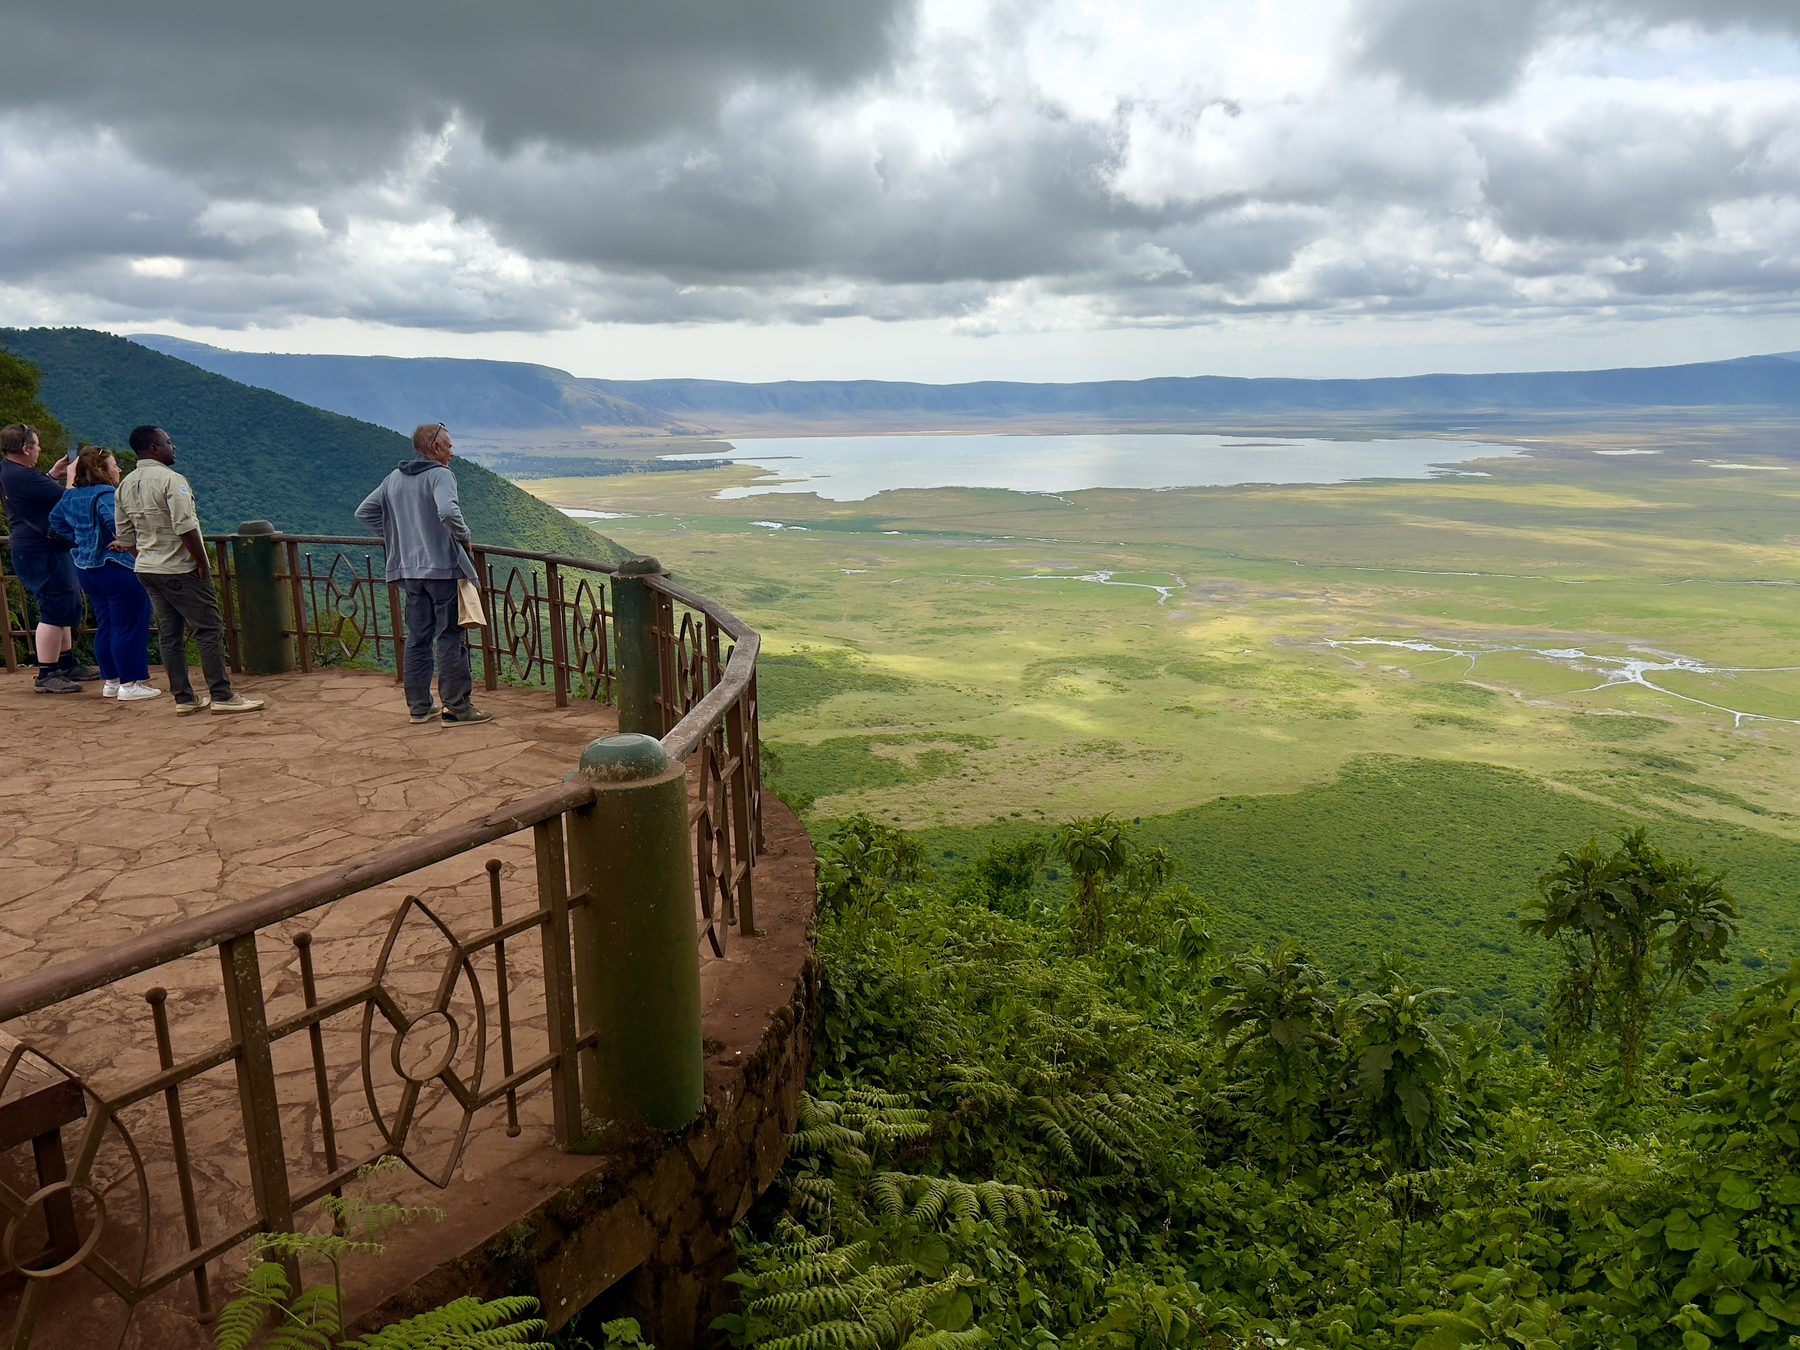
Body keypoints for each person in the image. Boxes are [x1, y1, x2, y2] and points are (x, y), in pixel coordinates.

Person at [115, 425, 263, 715]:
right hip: (180, 568)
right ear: (154, 448)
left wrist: (145, 556)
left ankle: (184, 698)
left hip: (147, 567)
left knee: (169, 635)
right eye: (168, 442)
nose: (174, 447)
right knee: (208, 629)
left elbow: (125, 536)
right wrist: (202, 562)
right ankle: (222, 695)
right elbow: (185, 525)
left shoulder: (125, 485)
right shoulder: (172, 480)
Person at [355, 423, 492, 726]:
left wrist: (398, 537)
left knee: (417, 638)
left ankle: (419, 707)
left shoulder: (393, 478)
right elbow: (447, 512)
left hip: (409, 571)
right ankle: (457, 708)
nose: (452, 452)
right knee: (450, 637)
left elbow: (364, 512)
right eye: (449, 446)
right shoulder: (440, 475)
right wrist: (464, 536)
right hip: (442, 569)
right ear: (434, 448)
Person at [49, 447, 160, 702]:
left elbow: (55, 522)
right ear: (102, 470)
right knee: (129, 625)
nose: (118, 469)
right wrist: (122, 541)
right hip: (116, 567)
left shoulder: (71, 496)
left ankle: (111, 681)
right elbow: (113, 521)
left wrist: (79, 540)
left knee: (106, 625)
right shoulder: (107, 493)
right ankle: (130, 683)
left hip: (86, 569)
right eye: (114, 465)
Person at [1, 423, 99, 693]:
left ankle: (65, 663)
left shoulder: (11, 471)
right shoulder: (24, 476)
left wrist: (52, 474)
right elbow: (68, 501)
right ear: (25, 448)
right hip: (40, 549)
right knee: (54, 606)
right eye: (37, 445)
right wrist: (69, 476)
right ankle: (47, 672)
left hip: (42, 547)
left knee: (66, 601)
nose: (40, 449)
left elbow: (36, 495)